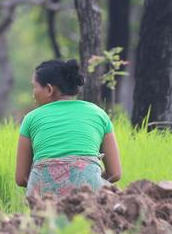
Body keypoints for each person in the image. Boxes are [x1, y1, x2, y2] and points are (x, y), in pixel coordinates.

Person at [14, 59, 122, 197]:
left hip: (44, 200)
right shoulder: (98, 113)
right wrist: (87, 178)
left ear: (49, 89)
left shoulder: (31, 118)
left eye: (34, 87)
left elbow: (21, 178)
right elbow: (115, 173)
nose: (33, 93)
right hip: (88, 196)